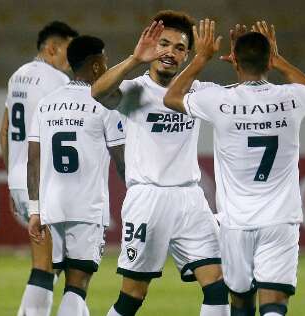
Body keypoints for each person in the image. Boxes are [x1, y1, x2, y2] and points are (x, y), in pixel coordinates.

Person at [164, 20, 305, 316]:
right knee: (274, 301)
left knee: (239, 302)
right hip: (280, 219)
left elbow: (172, 97)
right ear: (269, 60)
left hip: (236, 222)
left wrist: (200, 58)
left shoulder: (220, 100)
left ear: (234, 60)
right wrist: (279, 59)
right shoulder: (292, 98)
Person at [90, 10, 229, 316]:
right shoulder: (136, 91)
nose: (170, 52)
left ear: (187, 55)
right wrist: (134, 59)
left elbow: (238, 106)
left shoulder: (197, 91)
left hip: (190, 199)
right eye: (164, 44)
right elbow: (98, 92)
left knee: (218, 283)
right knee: (133, 296)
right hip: (148, 198)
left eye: (179, 48)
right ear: (152, 47)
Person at [26, 35, 126, 316]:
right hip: (87, 208)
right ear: (96, 65)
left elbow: (32, 160)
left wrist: (35, 209)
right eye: (104, 59)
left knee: (53, 275)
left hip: (51, 207)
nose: (107, 64)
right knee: (77, 284)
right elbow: (122, 161)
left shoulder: (46, 104)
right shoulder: (105, 104)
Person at [0, 21, 78, 316]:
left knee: (54, 263)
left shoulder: (17, 76)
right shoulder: (56, 82)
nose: (72, 60)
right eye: (69, 51)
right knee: (49, 266)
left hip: (20, 179)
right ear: (52, 47)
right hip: (43, 183)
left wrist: (11, 178)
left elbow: (4, 129)